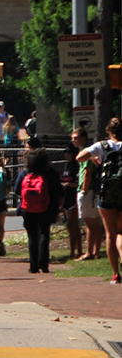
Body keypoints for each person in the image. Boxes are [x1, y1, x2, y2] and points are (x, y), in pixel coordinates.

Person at [76, 118, 122, 284]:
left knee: (110, 233)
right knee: (121, 232)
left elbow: (79, 157)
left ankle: (116, 274)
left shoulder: (102, 146)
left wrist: (94, 158)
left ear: (109, 132)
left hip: (108, 193)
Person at [15, 142, 62, 274]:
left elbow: (17, 189)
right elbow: (57, 191)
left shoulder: (25, 173)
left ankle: (33, 265)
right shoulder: (50, 172)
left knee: (32, 236)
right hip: (46, 207)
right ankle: (44, 264)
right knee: (44, 233)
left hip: (28, 207)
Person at [62, 129, 85, 260]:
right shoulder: (66, 165)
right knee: (69, 226)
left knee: (74, 225)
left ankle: (79, 250)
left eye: (69, 152)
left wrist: (68, 185)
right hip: (67, 198)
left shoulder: (76, 165)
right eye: (66, 152)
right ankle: (72, 250)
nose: (67, 154)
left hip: (74, 197)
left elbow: (78, 184)